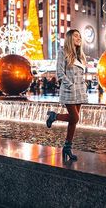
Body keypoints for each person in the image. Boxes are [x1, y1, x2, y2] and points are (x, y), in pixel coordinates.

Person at [46, 29, 88, 161]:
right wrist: (69, 84)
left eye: (79, 36)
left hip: (80, 91)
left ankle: (67, 148)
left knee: (73, 121)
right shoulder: (62, 52)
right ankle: (54, 116)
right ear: (70, 38)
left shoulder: (80, 55)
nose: (79, 38)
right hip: (70, 90)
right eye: (76, 36)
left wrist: (84, 85)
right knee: (75, 118)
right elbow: (59, 72)